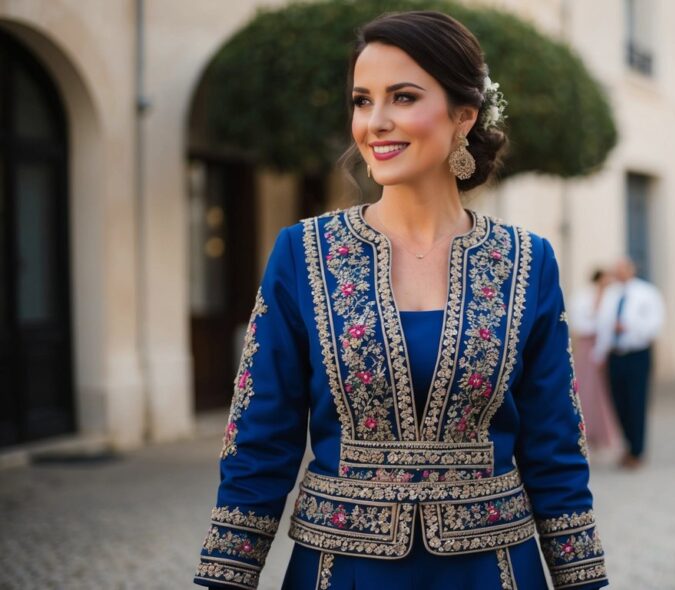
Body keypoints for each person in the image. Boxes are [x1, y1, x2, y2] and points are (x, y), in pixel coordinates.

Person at [193, 11, 607, 590]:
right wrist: (225, 578)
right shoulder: (304, 253)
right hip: (341, 571)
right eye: (362, 101)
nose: (376, 122)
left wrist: (582, 579)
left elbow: (554, 443)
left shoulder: (526, 261)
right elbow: (261, 437)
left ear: (464, 116)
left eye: (403, 97)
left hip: (493, 572)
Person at [591, 257, 664, 470]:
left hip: (637, 353)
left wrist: (629, 326)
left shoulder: (647, 293)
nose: (619, 273)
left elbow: (654, 325)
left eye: (623, 269)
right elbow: (602, 326)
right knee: (618, 402)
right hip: (615, 355)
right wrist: (599, 354)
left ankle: (637, 450)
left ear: (632, 270)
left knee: (636, 401)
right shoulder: (611, 295)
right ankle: (627, 444)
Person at [568, 268, 622, 453]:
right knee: (587, 389)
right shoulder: (583, 296)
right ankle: (586, 430)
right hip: (588, 346)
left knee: (605, 391)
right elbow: (579, 323)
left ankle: (603, 432)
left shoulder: (612, 296)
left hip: (606, 345)